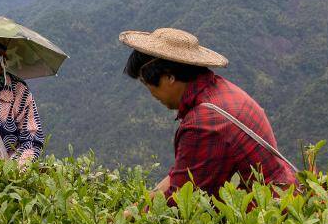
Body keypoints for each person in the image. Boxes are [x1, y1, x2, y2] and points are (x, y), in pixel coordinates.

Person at [120, 27, 297, 200]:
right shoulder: (220, 90)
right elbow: (182, 174)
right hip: (284, 195)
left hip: (267, 216)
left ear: (169, 77)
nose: (150, 92)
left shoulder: (204, 123)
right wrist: (143, 201)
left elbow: (179, 201)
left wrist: (127, 218)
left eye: (146, 83)